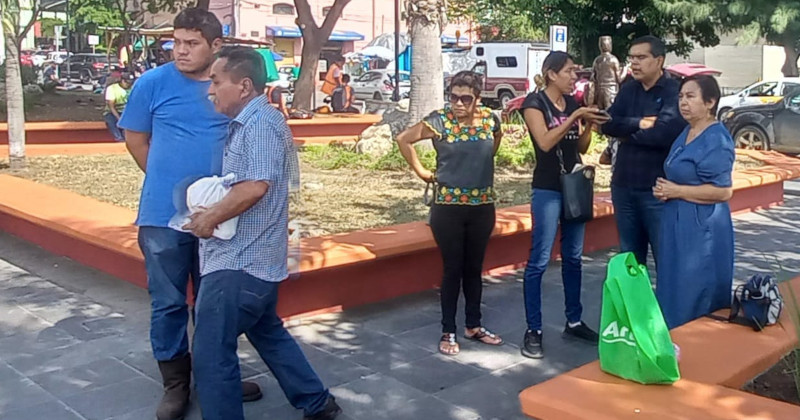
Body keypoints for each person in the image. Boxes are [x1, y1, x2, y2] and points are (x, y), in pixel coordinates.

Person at [183, 46, 341, 420]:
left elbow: (255, 186)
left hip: (240, 264)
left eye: (216, 82)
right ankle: (316, 401)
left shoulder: (259, 126)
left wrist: (209, 219)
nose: (210, 90)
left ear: (244, 86)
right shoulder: (254, 122)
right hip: (255, 260)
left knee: (211, 353)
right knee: (267, 331)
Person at [118, 9, 261, 420]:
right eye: (176, 42)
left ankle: (216, 377)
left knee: (215, 302)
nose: (180, 50)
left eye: (191, 43)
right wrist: (167, 182)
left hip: (222, 218)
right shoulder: (152, 83)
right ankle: (175, 383)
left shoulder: (231, 85)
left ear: (216, 45)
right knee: (168, 302)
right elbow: (135, 139)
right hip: (163, 217)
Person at [397, 71, 504, 356]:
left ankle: (473, 325)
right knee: (452, 269)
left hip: (483, 206)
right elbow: (404, 140)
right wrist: (422, 172)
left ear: (477, 98)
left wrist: (480, 161)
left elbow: (496, 139)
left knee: (474, 268)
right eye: (453, 97)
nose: (458, 104)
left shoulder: (490, 119)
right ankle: (448, 330)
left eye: (465, 98)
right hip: (448, 208)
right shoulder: (439, 121)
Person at [519, 52, 609, 359]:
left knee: (573, 257)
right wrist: (574, 117)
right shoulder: (534, 104)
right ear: (551, 74)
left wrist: (588, 126)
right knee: (539, 260)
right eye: (569, 71)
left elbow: (579, 146)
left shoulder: (571, 103)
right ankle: (534, 329)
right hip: (548, 189)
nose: (574, 77)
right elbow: (544, 143)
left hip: (575, 186)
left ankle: (574, 320)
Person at [652, 75, 734, 329]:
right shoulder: (687, 131)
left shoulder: (716, 139)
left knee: (695, 288)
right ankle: (672, 339)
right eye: (680, 97)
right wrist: (667, 191)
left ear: (710, 102)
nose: (683, 103)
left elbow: (723, 191)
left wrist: (677, 190)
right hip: (675, 220)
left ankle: (696, 342)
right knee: (673, 283)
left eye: (690, 96)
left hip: (701, 226)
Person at [600, 35, 687, 267]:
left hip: (657, 190)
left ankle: (666, 294)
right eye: (632, 58)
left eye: (641, 57)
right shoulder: (628, 89)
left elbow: (664, 133)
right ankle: (636, 295)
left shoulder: (674, 91)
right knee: (630, 262)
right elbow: (607, 124)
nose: (634, 63)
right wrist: (640, 123)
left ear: (659, 60)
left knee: (666, 259)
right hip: (623, 186)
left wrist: (625, 133)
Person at [103, 72, 134, 142]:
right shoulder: (112, 88)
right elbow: (111, 106)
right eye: (127, 83)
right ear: (122, 81)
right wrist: (119, 118)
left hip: (127, 111)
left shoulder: (133, 88)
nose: (129, 85)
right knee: (111, 120)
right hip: (114, 112)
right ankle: (119, 139)